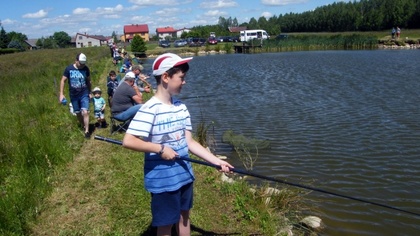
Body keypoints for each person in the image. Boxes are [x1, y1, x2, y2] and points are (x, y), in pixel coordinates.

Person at [122, 53, 234, 236]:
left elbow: (189, 142)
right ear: (166, 77)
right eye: (181, 78)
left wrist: (216, 161)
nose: (184, 82)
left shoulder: (181, 107)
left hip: (184, 175)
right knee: (165, 225)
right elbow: (128, 141)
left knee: (184, 217)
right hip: (163, 180)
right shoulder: (150, 109)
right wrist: (160, 148)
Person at [59, 53, 92, 138]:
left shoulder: (86, 69)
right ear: (76, 61)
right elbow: (63, 81)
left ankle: (87, 131)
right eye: (80, 64)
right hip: (74, 95)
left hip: (84, 93)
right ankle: (83, 125)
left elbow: (88, 81)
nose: (82, 65)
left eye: (83, 64)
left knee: (86, 111)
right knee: (78, 113)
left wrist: (90, 92)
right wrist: (61, 94)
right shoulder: (69, 69)